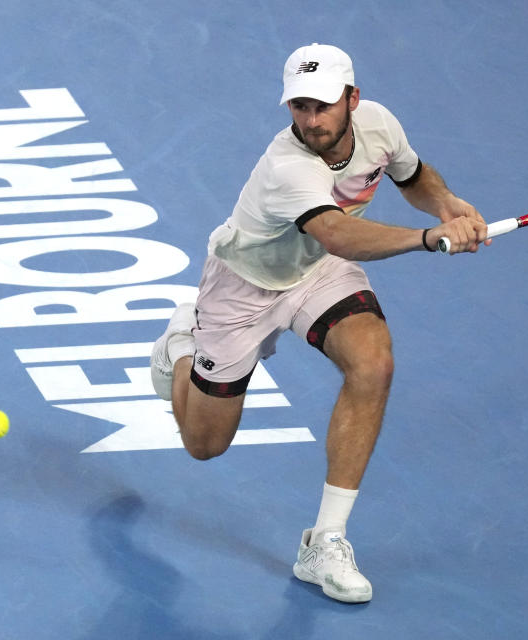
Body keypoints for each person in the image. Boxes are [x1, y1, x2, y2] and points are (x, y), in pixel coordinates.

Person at [150, 43, 489, 603]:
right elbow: (337, 232)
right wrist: (429, 238)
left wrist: (445, 204)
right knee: (203, 445)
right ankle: (182, 343)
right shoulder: (288, 166)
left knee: (373, 364)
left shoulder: (378, 125)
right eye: (300, 106)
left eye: (323, 106)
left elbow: (411, 174)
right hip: (244, 286)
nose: (311, 120)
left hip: (316, 270)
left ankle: (325, 542)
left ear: (352, 100)